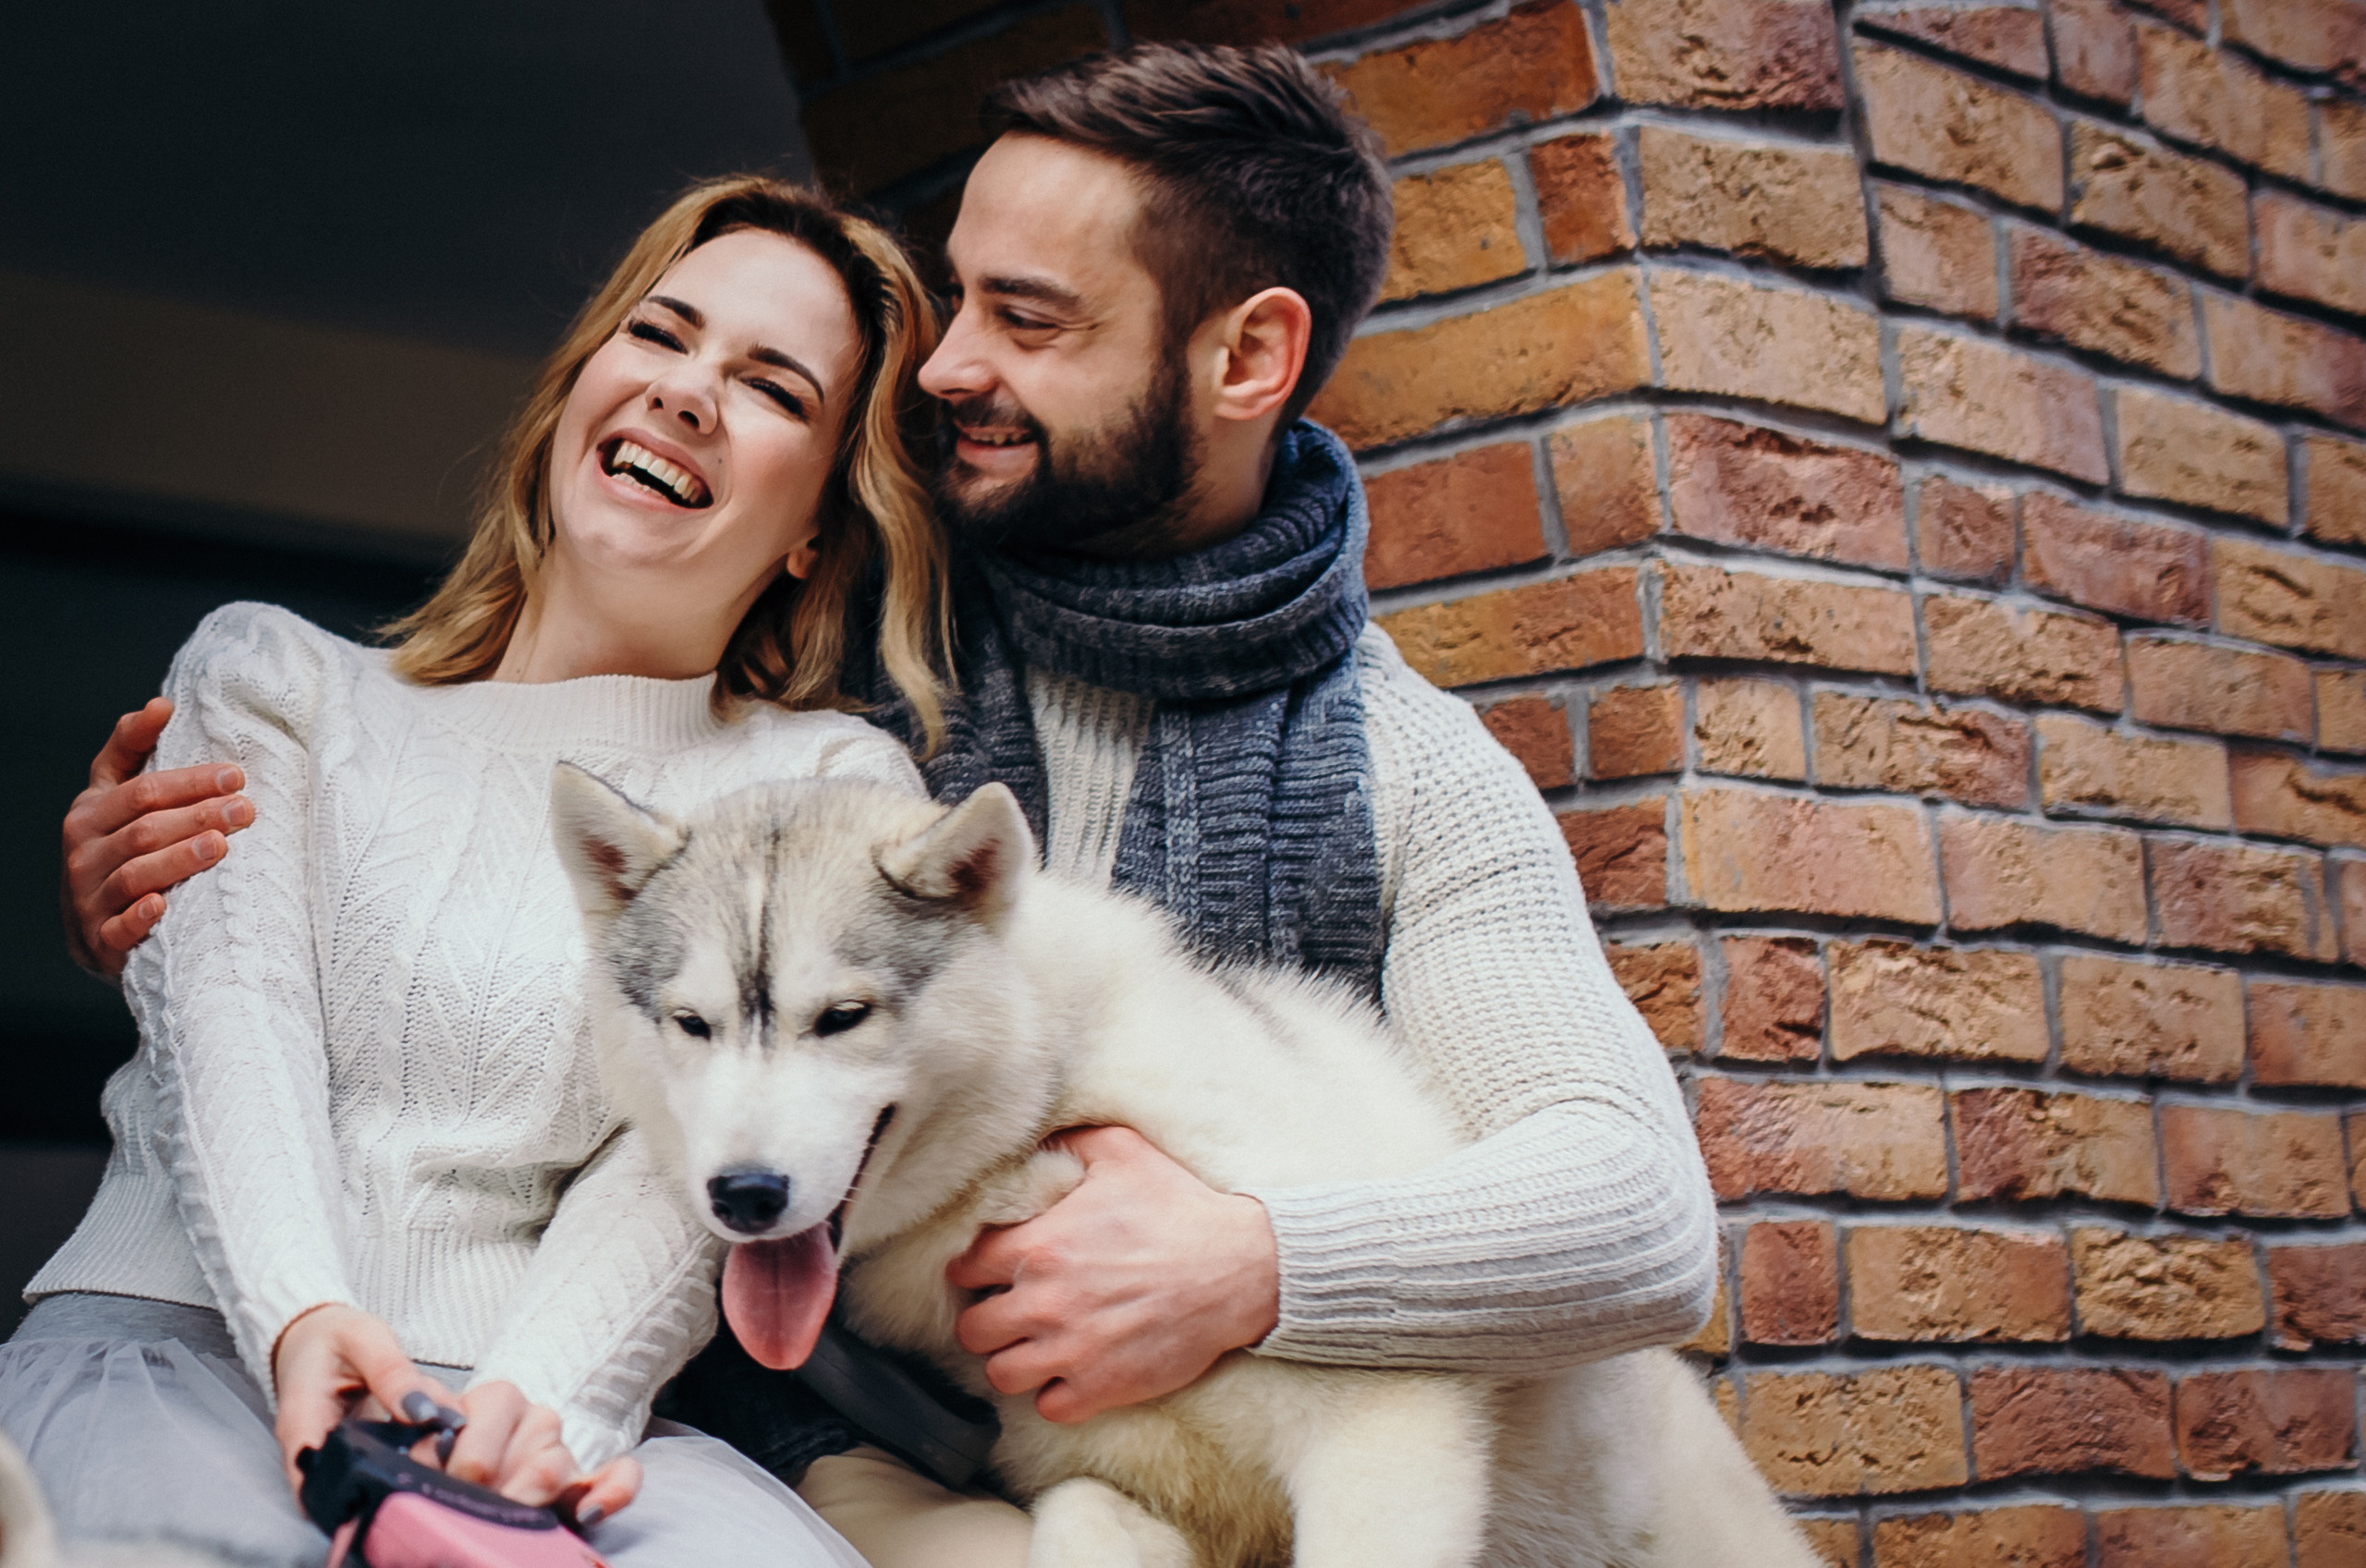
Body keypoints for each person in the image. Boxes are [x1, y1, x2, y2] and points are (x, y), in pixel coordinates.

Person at [61, 43, 1720, 1568]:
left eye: (1030, 318)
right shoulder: (839, 644)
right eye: (951, 311)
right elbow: (489, 895)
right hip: (834, 1446)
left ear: (1249, 354)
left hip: (1188, 1455)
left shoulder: (1396, 765)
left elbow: (1640, 1214)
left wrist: (1246, 1260)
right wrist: (163, 919)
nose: (948, 370)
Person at [16, 175, 951, 1566]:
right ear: (580, 387)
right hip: (177, 1351)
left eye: (770, 387)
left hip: (538, 1408)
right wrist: (300, 1317)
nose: (687, 392)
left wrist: (532, 1421)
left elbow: (688, 1160)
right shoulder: (269, 678)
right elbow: (238, 1030)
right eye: (660, 334)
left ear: (819, 524)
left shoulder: (824, 791)